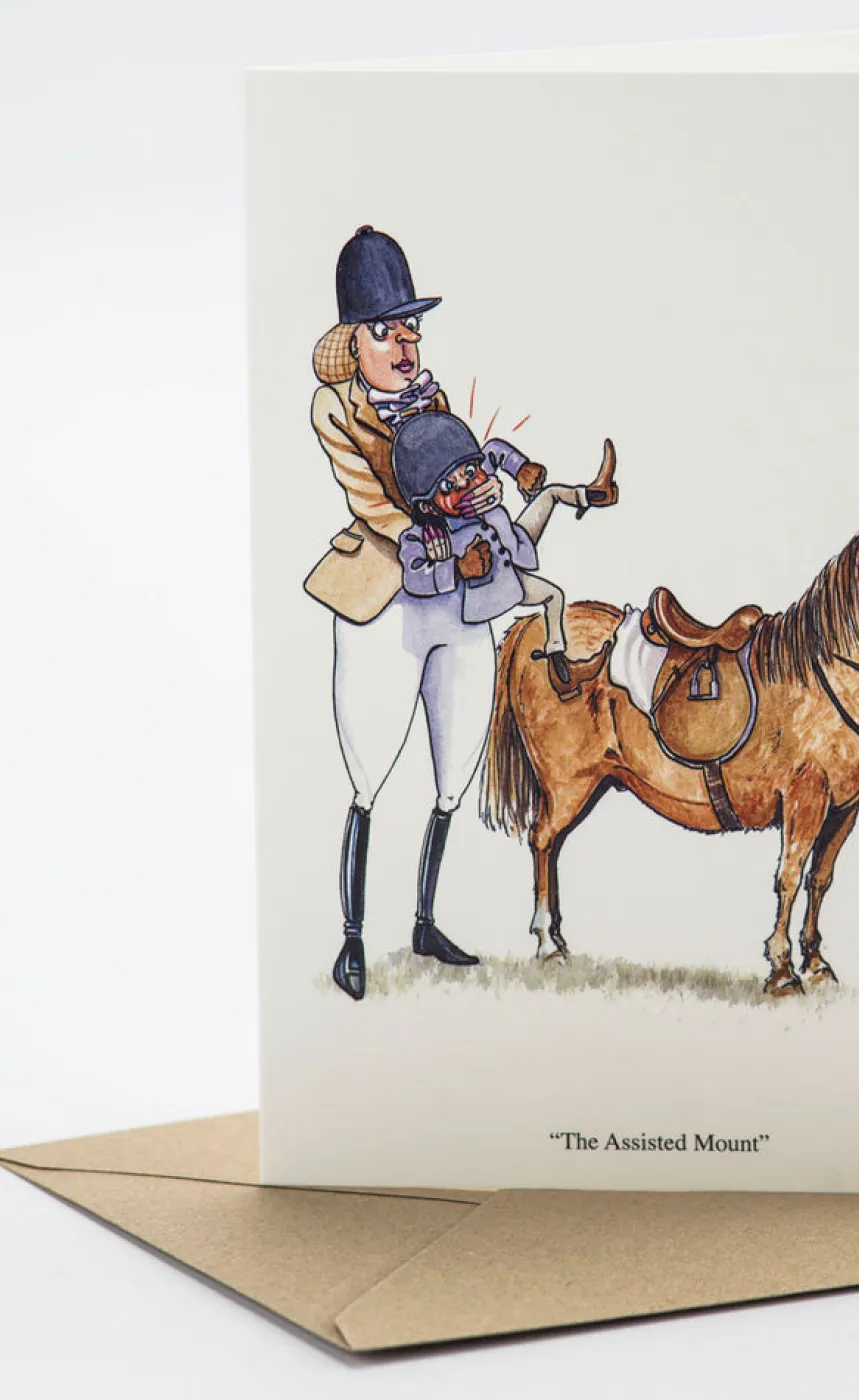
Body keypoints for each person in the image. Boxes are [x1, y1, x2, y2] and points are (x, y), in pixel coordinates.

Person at [302, 225, 617, 1001]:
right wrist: (440, 537)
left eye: (411, 328)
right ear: (353, 340)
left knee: (456, 765)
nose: (405, 345)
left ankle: (425, 921)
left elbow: (467, 461)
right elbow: (373, 502)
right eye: (386, 331)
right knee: (370, 772)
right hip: (387, 595)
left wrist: (494, 507)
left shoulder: (432, 397)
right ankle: (351, 937)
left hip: (458, 595)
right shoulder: (333, 407)